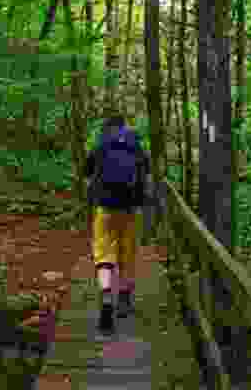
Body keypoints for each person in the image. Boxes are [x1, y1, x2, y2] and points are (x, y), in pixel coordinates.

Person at [85, 114, 150, 336]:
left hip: (105, 209)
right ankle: (123, 299)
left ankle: (105, 296)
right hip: (130, 211)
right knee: (127, 254)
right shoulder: (136, 147)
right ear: (125, 127)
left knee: (104, 255)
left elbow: (87, 173)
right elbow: (145, 176)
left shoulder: (101, 145)